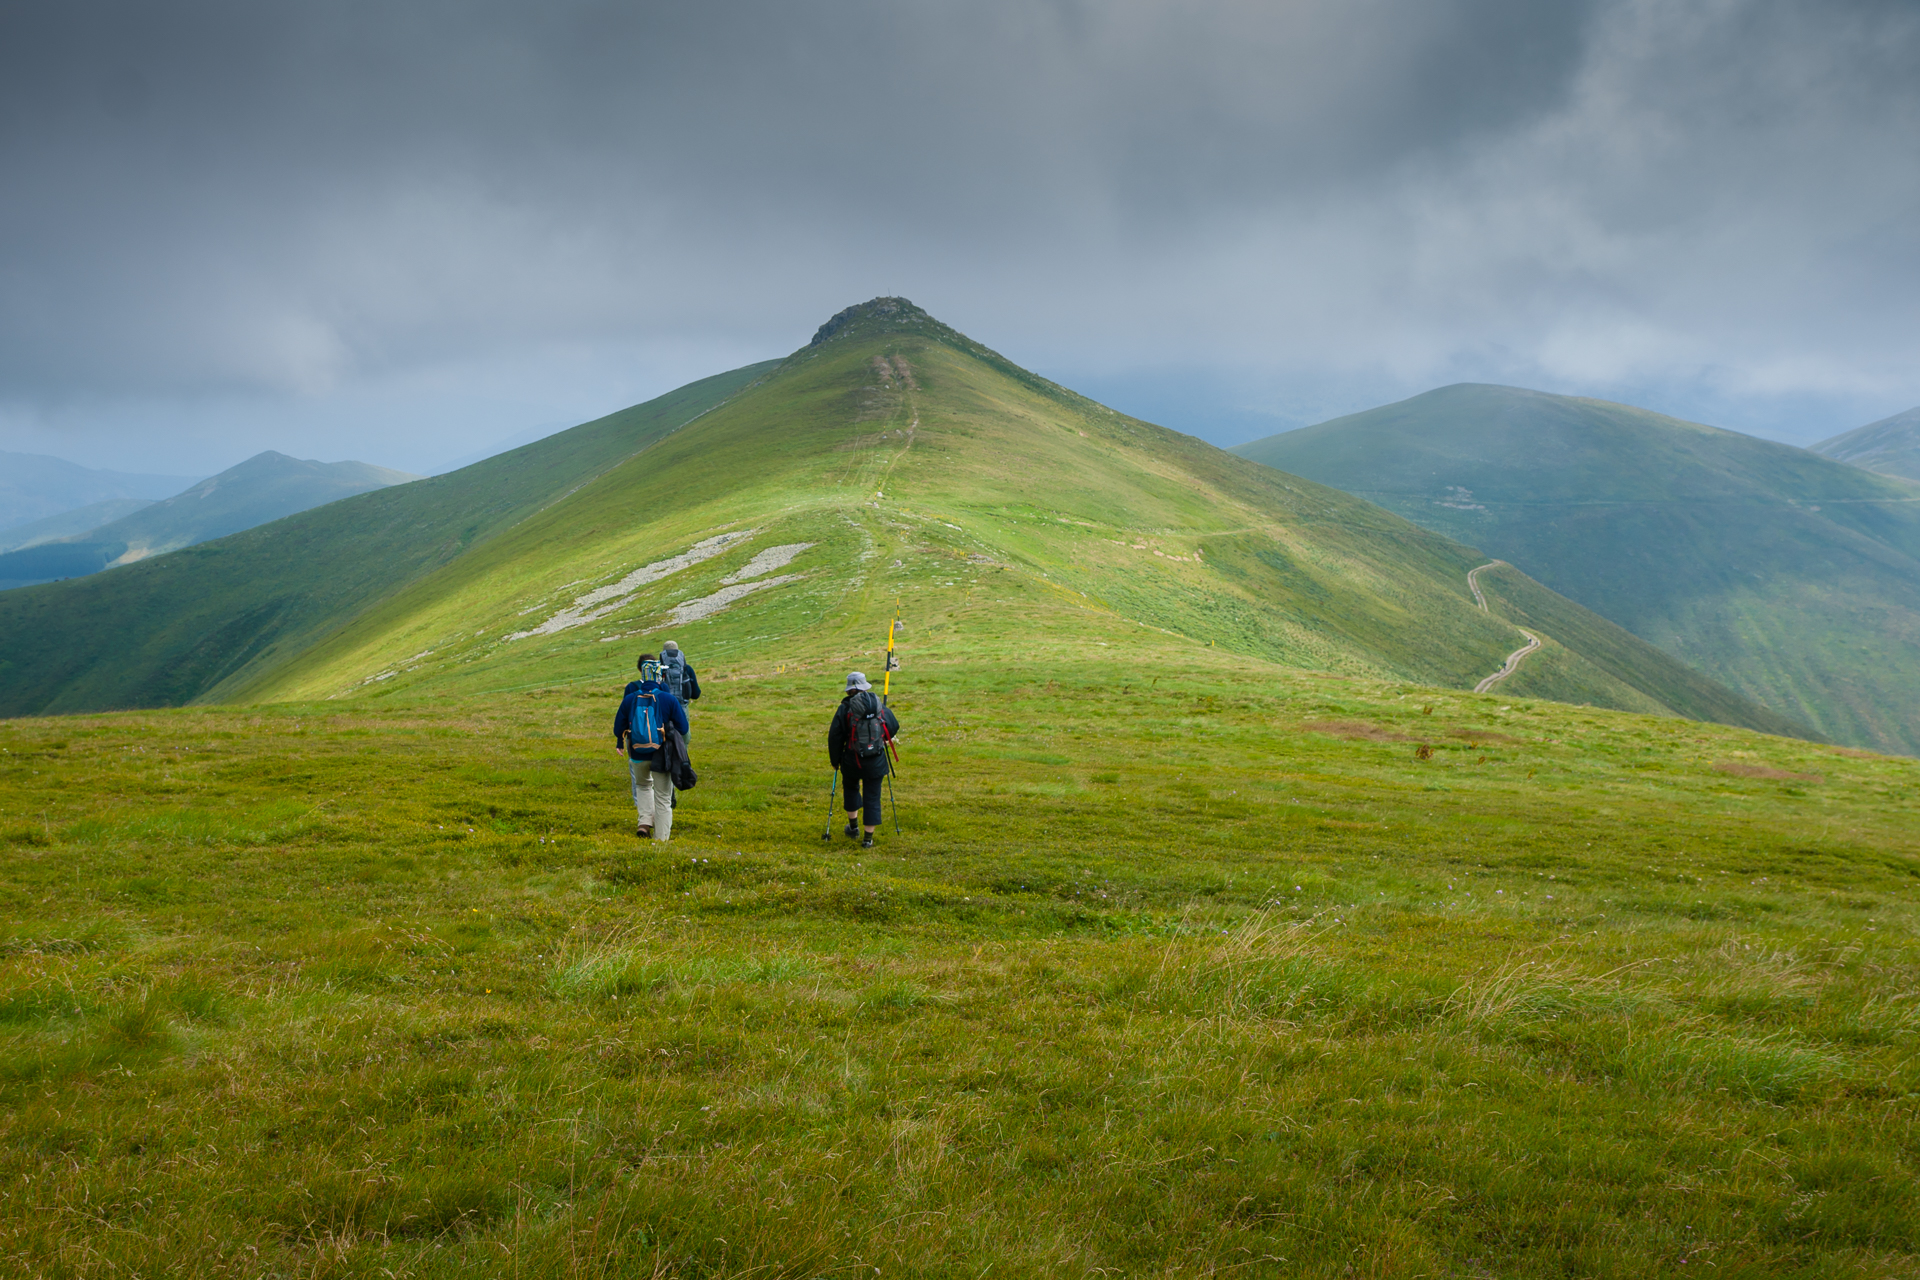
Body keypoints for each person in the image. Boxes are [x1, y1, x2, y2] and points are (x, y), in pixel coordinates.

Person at [613, 653, 688, 840]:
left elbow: (618, 727)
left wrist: (620, 742)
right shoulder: (668, 699)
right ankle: (661, 839)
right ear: (659, 676)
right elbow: (683, 727)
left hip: (637, 752)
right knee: (663, 797)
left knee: (643, 785)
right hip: (661, 753)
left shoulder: (630, 697)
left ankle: (644, 823)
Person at [827, 671, 900, 848]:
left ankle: (853, 828)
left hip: (852, 760)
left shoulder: (844, 708)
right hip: (876, 760)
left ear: (849, 690)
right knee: (872, 796)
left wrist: (835, 760)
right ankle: (868, 839)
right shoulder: (878, 705)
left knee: (851, 789)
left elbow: (835, 736)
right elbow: (893, 726)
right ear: (864, 687)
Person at [656, 640, 701, 726]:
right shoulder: (687, 669)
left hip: (662, 710)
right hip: (682, 708)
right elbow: (696, 694)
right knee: (683, 735)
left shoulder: (657, 670)